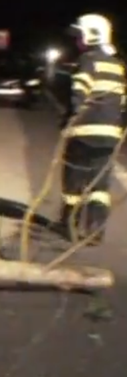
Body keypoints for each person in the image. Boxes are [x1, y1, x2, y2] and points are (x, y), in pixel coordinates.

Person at [59, 13, 126, 245]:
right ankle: (96, 232)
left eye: (79, 36)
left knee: (73, 182)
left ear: (90, 36)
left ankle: (69, 226)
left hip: (84, 133)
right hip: (110, 136)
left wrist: (69, 120)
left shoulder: (88, 60)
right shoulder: (119, 65)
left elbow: (79, 93)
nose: (77, 41)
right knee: (99, 186)